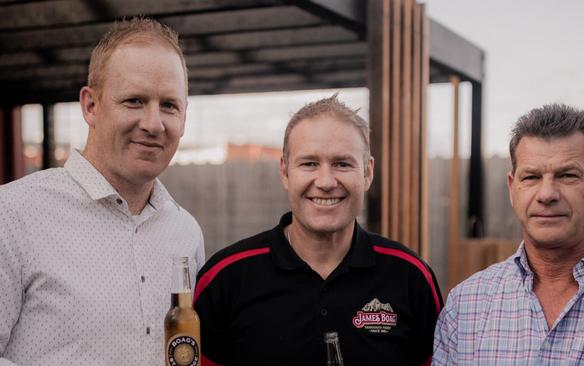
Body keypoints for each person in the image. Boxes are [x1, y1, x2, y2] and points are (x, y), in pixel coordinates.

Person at [0, 18, 204, 365]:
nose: (154, 124)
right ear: (90, 106)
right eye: (134, 101)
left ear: (184, 118)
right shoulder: (13, 215)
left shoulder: (186, 234)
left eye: (169, 105)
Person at [194, 95, 443, 366]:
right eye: (309, 163)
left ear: (367, 173)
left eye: (342, 164)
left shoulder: (410, 277)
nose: (325, 181)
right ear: (285, 172)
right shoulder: (225, 279)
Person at [433, 104, 584, 365]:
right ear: (513, 189)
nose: (547, 194)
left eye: (567, 175)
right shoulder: (466, 306)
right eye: (532, 177)